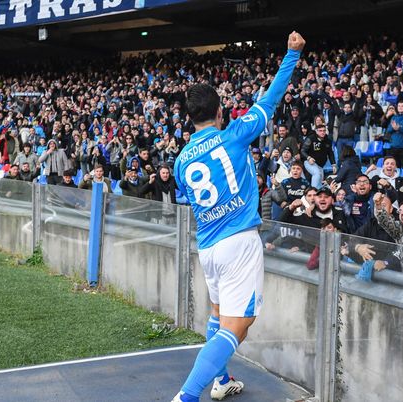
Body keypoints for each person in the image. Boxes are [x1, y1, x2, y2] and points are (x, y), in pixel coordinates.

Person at [171, 31, 305, 402]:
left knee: (217, 314)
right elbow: (272, 97)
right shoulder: (235, 134)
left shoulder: (181, 160)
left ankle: (221, 380)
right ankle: (186, 396)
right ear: (219, 112)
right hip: (239, 242)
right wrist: (292, 54)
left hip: (209, 247)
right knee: (238, 327)